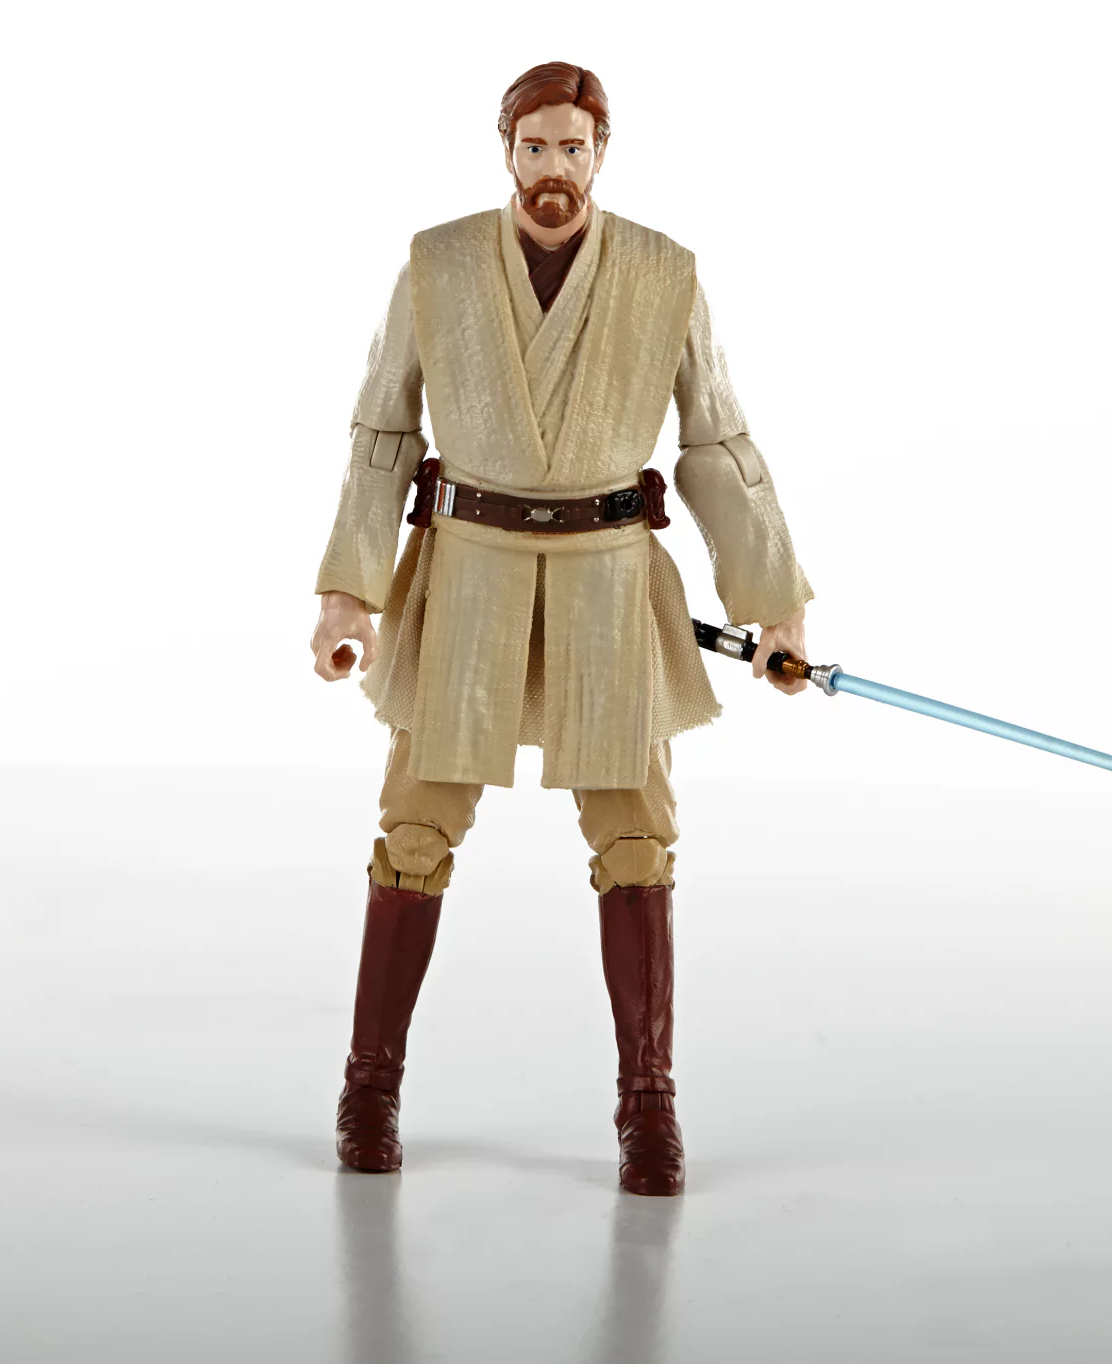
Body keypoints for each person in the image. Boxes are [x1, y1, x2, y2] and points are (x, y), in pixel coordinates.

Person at [311, 62, 813, 1195]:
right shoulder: (438, 264)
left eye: (573, 149)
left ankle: (649, 1100)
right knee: (414, 832)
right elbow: (383, 433)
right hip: (468, 574)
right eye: (534, 147)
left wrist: (773, 604)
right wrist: (350, 592)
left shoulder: (663, 273)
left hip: (606, 581)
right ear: (507, 152)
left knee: (637, 841)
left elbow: (716, 444)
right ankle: (369, 1084)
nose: (554, 170)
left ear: (601, 154)